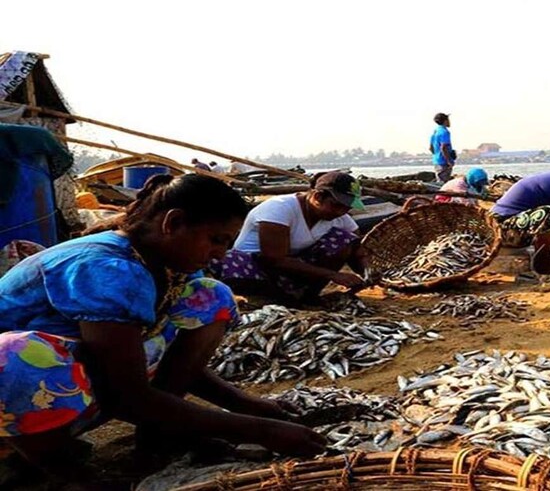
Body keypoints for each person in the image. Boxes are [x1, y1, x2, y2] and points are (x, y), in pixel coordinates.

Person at [0, 174, 326, 479]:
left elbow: (148, 361)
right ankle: (61, 471)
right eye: (216, 240)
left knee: (210, 296)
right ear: (174, 222)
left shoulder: (166, 266)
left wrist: (246, 404)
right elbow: (126, 394)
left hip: (77, 386)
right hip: (18, 402)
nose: (220, 254)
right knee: (16, 357)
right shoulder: (108, 268)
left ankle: (158, 433)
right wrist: (259, 429)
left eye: (228, 244)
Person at [209, 171, 369, 302]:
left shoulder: (339, 218)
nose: (340, 212)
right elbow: (273, 259)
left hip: (293, 270)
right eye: (336, 206)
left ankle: (306, 296)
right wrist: (333, 275)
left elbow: (358, 248)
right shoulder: (279, 209)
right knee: (225, 260)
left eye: (346, 208)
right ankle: (266, 297)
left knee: (345, 239)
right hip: (257, 268)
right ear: (318, 197)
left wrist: (368, 272)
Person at [429, 113, 455, 183]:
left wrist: (437, 155)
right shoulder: (444, 132)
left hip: (437, 161)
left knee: (440, 181)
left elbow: (431, 148)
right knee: (443, 183)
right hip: (444, 162)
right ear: (445, 121)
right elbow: (444, 147)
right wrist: (449, 161)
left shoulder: (435, 132)